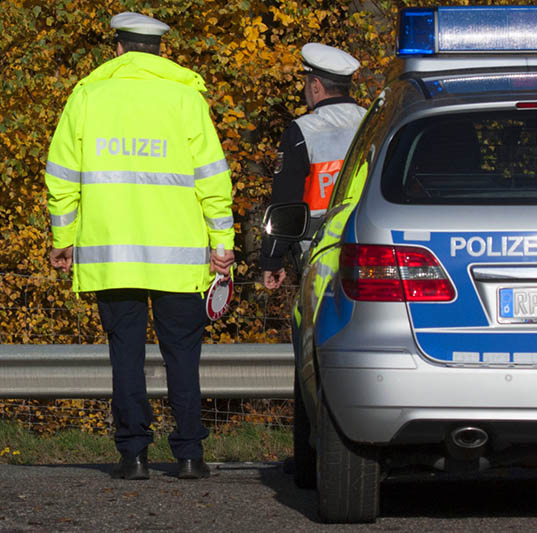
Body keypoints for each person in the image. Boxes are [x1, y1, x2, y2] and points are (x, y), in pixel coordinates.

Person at [44, 12, 235, 481]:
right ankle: (189, 455)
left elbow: (62, 174)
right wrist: (223, 244)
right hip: (180, 258)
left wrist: (62, 239)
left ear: (117, 50)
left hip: (112, 259)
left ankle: (133, 456)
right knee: (183, 356)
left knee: (125, 356)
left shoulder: (88, 95)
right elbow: (213, 177)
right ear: (160, 52)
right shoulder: (185, 97)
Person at [261, 43, 367, 289]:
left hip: (318, 251)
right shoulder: (372, 120)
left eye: (307, 83)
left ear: (316, 85)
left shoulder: (302, 131)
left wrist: (272, 257)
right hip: (367, 243)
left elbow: (285, 201)